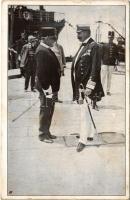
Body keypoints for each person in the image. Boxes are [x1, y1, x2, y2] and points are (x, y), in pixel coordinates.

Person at [71, 25, 104, 152]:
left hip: (87, 87)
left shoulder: (94, 46)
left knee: (84, 114)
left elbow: (96, 68)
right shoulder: (83, 45)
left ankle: (82, 140)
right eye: (77, 32)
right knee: (85, 111)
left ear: (86, 32)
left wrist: (90, 86)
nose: (77, 35)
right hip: (80, 86)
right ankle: (89, 134)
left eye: (79, 33)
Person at [35, 27, 61, 143]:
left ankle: (47, 132)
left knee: (49, 110)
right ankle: (42, 134)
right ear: (44, 38)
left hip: (50, 87)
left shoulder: (47, 49)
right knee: (45, 110)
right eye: (52, 38)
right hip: (47, 87)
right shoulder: (41, 51)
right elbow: (41, 73)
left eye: (55, 38)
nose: (54, 41)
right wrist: (46, 89)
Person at [101, 31, 118, 95]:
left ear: (113, 38)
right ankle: (101, 90)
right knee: (103, 77)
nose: (110, 38)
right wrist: (101, 63)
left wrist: (116, 63)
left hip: (111, 64)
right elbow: (101, 55)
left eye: (112, 37)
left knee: (109, 78)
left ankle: (108, 91)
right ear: (108, 37)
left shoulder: (115, 46)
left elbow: (116, 55)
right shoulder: (104, 45)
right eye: (109, 37)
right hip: (104, 64)